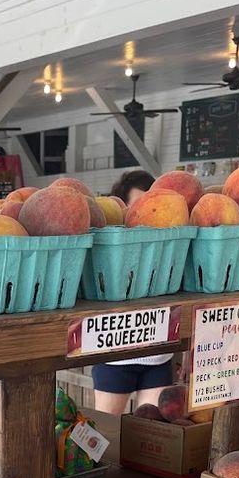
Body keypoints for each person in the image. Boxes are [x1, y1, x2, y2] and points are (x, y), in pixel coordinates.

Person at [92, 168, 172, 414]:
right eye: (138, 204)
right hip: (115, 357)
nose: (147, 210)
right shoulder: (112, 248)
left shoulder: (169, 242)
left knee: (154, 429)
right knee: (106, 431)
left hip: (159, 356)